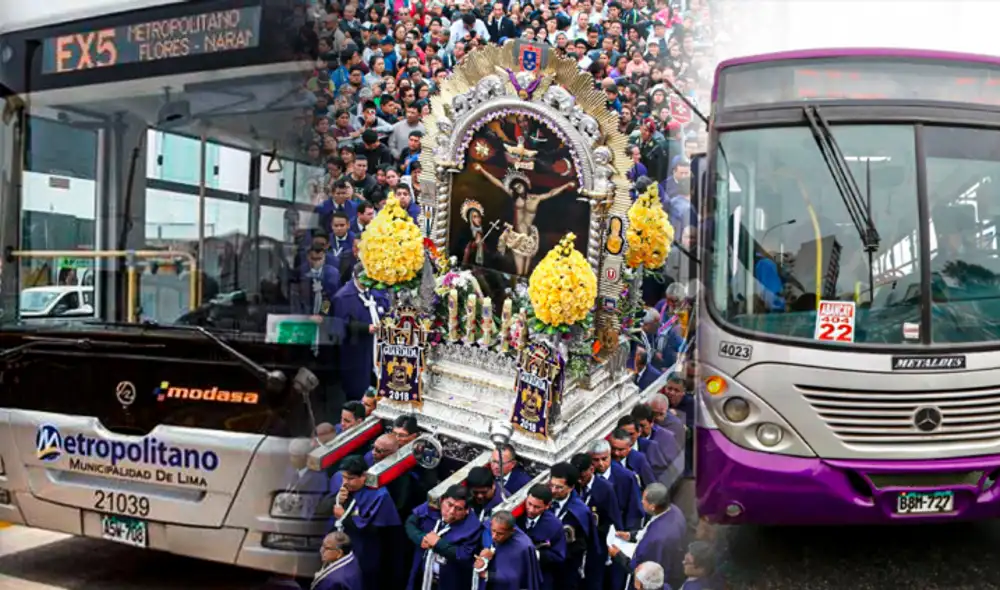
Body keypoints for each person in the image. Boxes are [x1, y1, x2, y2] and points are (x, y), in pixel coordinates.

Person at [471, 161, 577, 276]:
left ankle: (522, 291)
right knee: (519, 271)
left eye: (519, 186)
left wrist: (566, 186)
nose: (517, 189)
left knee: (526, 272)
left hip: (530, 238)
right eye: (515, 187)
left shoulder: (535, 198)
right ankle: (516, 289)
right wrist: (482, 170)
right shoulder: (514, 196)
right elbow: (499, 184)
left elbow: (551, 193)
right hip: (517, 236)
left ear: (525, 185)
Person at [321, 456, 401, 589]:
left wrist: (344, 517)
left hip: (363, 553)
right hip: (335, 549)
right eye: (344, 477)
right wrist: (336, 500)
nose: (345, 482)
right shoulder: (340, 484)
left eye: (350, 478)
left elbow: (374, 530)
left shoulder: (380, 495)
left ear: (363, 476)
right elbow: (320, 509)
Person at [405, 485, 482, 590]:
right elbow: (410, 523)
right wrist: (420, 537)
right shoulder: (432, 507)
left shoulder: (473, 526)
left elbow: (464, 555)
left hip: (449, 582)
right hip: (422, 575)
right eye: (449, 504)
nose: (451, 512)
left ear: (467, 511)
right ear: (442, 500)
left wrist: (438, 543)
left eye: (458, 509)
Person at [609, 483, 686, 586]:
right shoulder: (674, 510)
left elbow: (639, 569)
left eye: (644, 499)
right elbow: (649, 529)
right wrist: (631, 535)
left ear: (653, 506)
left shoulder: (655, 540)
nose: (641, 501)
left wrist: (618, 554)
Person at [333, 263, 389, 401]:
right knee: (357, 386)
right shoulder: (343, 296)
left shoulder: (371, 292)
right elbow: (340, 324)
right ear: (357, 277)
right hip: (354, 349)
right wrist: (365, 328)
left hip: (372, 346)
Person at [569, 452, 621, 589]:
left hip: (597, 544)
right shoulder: (573, 486)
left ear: (592, 469)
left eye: (582, 477)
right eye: (577, 478)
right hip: (577, 545)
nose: (579, 481)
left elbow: (613, 518)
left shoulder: (605, 489)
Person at [548, 462, 602, 590]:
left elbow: (583, 544)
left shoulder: (579, 512)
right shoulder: (545, 500)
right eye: (552, 485)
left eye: (559, 487)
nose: (553, 490)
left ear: (571, 487)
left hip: (566, 569)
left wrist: (557, 553)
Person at [515, 484, 567, 590]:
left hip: (540, 577)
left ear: (547, 506)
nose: (531, 509)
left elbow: (559, 556)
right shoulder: (515, 517)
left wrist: (537, 555)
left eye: (537, 507)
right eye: (529, 504)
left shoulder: (554, 526)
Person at [475, 510, 543, 590]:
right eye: (493, 531)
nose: (494, 536)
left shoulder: (522, 546)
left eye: (500, 533)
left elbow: (514, 576)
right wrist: (486, 556)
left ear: (511, 531)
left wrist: (487, 575)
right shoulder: (497, 530)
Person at [588, 438, 644, 531]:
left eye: (604, 459)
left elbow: (634, 508)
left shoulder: (626, 477)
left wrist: (628, 533)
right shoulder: (588, 477)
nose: (601, 464)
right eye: (596, 460)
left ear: (610, 455)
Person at [632, 404, 684, 486]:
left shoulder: (666, 438)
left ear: (651, 422)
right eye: (636, 426)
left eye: (642, 426)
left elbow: (676, 467)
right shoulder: (629, 440)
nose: (639, 430)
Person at [609, 425, 657, 490]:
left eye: (620, 450)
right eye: (613, 448)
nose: (616, 453)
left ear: (629, 448)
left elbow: (651, 485)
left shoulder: (639, 459)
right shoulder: (604, 461)